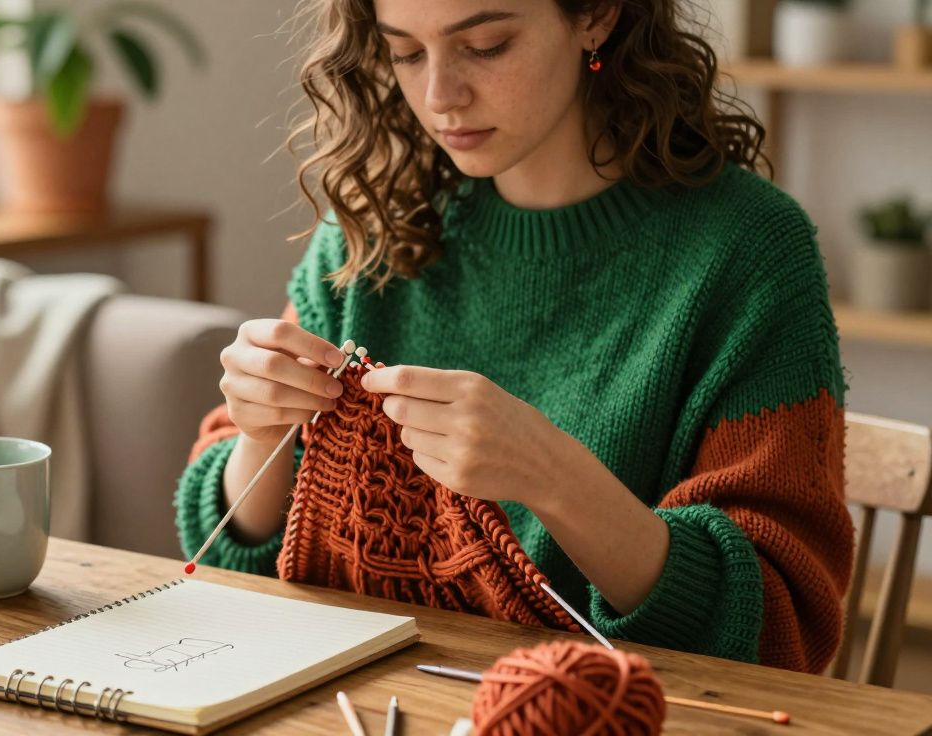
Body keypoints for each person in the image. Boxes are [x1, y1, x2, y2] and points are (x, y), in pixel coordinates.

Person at [174, 0, 853, 674]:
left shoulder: (748, 252)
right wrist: (262, 433)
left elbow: (778, 624)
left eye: (486, 46)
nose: (440, 96)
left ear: (596, 16)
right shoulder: (376, 226)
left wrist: (552, 476)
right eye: (405, 53)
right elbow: (236, 553)